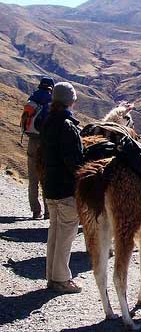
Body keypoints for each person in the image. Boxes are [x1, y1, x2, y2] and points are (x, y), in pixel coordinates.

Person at [40, 82, 83, 293]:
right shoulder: (67, 125)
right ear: (71, 101)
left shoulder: (48, 121)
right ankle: (61, 280)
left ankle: (52, 276)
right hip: (66, 189)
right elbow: (73, 161)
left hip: (50, 185)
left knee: (55, 232)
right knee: (66, 235)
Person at [24, 77, 54, 219]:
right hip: (46, 144)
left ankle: (36, 211)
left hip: (32, 141)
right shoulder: (52, 101)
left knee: (33, 179)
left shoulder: (33, 98)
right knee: (46, 178)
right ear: (51, 87)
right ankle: (48, 212)